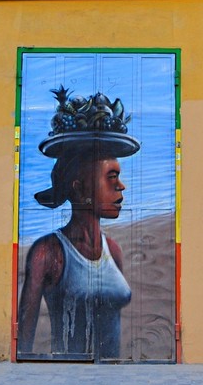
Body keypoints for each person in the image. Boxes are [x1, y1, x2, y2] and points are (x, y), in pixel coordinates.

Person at [18, 88, 140, 358]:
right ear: (78, 187)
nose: (121, 186)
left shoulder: (113, 250)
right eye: (111, 177)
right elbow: (23, 339)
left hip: (113, 381)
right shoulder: (47, 253)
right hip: (68, 380)